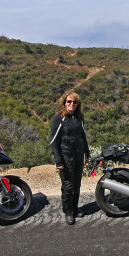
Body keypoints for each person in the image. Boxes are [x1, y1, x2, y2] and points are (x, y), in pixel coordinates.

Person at [48, 91, 90, 225]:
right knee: (67, 185)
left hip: (78, 155)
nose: (71, 104)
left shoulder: (79, 118)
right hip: (66, 156)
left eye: (74, 102)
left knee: (77, 183)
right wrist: (58, 161)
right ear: (64, 103)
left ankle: (75, 208)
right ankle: (68, 212)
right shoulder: (59, 119)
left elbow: (82, 136)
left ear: (78, 104)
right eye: (69, 102)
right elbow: (53, 141)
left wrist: (87, 153)